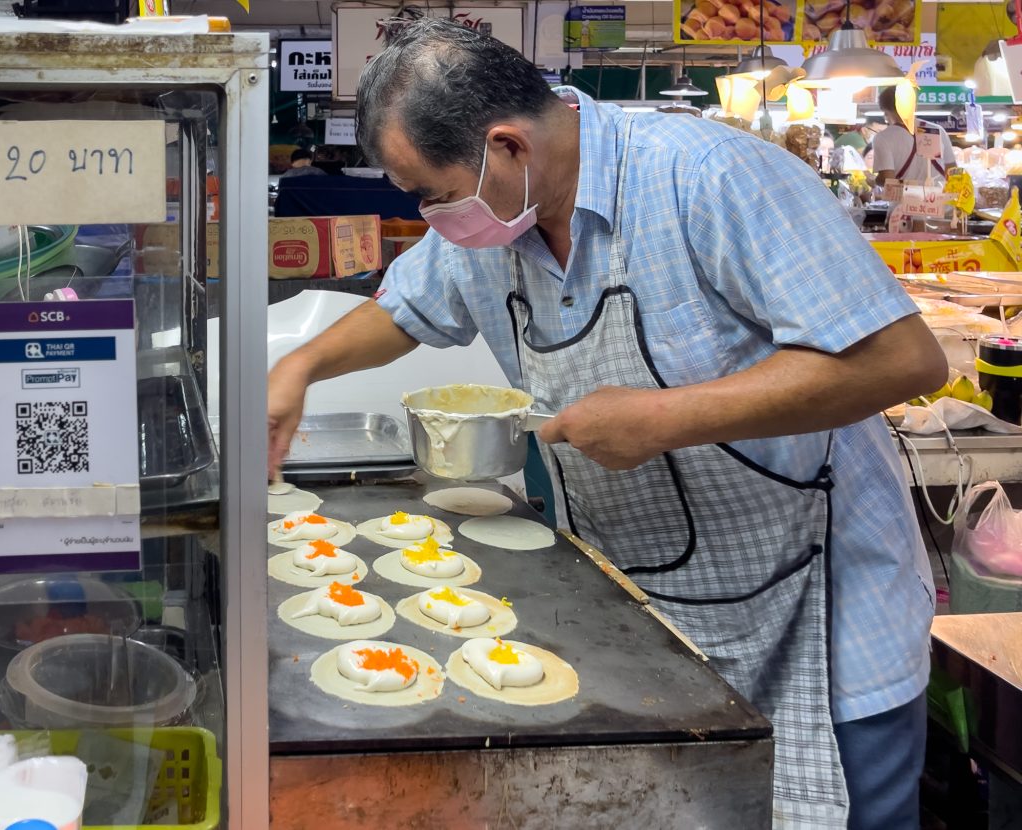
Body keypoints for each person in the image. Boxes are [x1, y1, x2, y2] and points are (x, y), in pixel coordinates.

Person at [268, 19, 946, 829]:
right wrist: (297, 368)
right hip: (638, 610)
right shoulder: (495, 219)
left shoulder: (706, 177)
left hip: (814, 613)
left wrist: (666, 418)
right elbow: (405, 309)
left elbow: (902, 360)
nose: (432, 215)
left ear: (508, 147)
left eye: (433, 194)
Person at [872, 85, 956, 186]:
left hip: (904, 200)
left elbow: (888, 180)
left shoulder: (883, 138)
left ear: (885, 111)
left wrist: (875, 180)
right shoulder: (937, 130)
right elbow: (952, 171)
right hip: (940, 199)